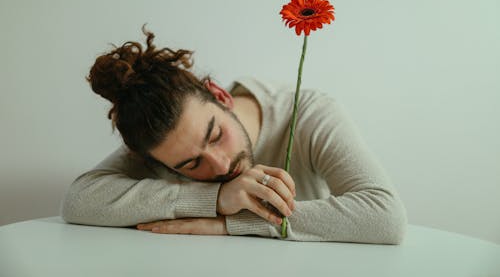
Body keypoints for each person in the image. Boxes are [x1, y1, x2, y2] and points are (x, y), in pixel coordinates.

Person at [61, 26, 407, 243]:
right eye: (192, 163)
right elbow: (79, 200)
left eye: (215, 136)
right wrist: (216, 199)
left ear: (221, 95)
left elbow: (384, 215)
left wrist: (232, 223)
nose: (221, 165)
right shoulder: (160, 143)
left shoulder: (308, 112)